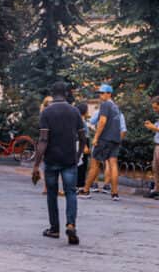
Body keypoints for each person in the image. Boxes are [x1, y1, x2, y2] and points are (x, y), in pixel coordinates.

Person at [32, 82, 85, 245]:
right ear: (67, 93)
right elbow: (83, 137)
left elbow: (43, 140)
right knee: (70, 192)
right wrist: (78, 155)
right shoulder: (75, 111)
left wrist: (36, 165)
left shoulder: (46, 112)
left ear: (52, 93)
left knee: (52, 194)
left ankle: (54, 229)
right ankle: (71, 224)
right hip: (69, 159)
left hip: (52, 159)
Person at [80, 84, 123, 200]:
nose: (100, 95)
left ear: (109, 93)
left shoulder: (105, 105)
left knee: (94, 164)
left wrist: (96, 137)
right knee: (113, 165)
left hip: (104, 139)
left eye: (102, 93)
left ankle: (85, 190)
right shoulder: (116, 107)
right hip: (115, 139)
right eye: (100, 93)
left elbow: (102, 121)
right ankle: (114, 193)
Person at [144, 96, 159, 199]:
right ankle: (157, 190)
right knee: (156, 168)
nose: (155, 110)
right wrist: (153, 126)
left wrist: (154, 128)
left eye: (156, 107)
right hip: (157, 145)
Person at [75, 102, 91, 192]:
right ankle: (79, 185)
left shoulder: (82, 120)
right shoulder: (80, 120)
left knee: (82, 164)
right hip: (83, 142)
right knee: (81, 164)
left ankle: (79, 184)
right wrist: (85, 146)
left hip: (83, 142)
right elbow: (82, 134)